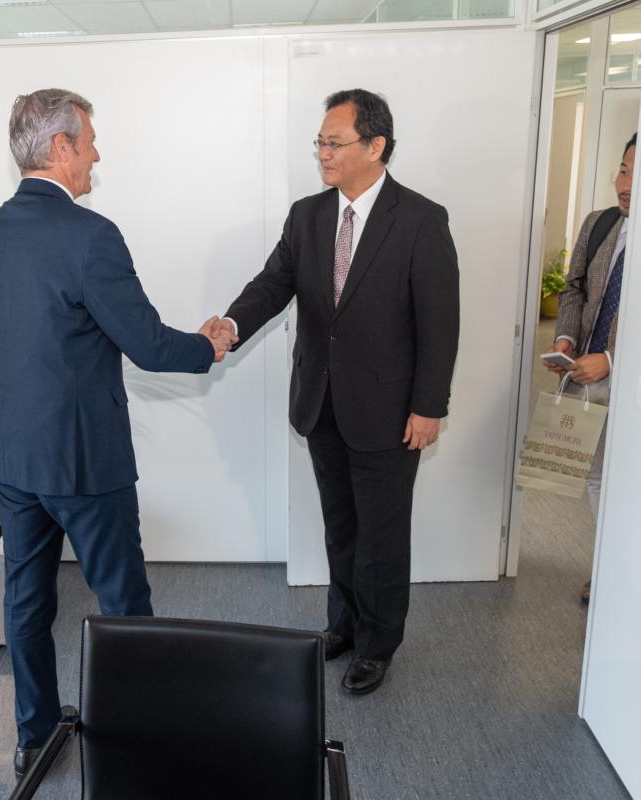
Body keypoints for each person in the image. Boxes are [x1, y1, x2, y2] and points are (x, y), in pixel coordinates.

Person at [0, 88, 237, 778]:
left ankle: (33, 735)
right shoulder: (91, 235)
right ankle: (137, 738)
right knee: (122, 601)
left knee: (26, 598)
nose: (96, 154)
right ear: (61, 147)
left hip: (11, 453)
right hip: (82, 458)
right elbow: (146, 344)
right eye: (88, 142)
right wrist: (208, 346)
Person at [214, 89, 459, 695]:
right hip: (321, 403)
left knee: (382, 535)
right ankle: (344, 625)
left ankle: (378, 643)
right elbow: (272, 285)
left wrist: (428, 406)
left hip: (390, 411)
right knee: (341, 525)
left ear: (375, 146)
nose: (322, 153)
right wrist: (231, 324)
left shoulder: (421, 219)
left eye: (333, 142)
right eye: (319, 142)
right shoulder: (308, 215)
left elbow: (440, 322)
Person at [544, 133, 635, 604]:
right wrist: (567, 338)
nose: (625, 184)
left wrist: (614, 359)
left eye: (637, 175)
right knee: (596, 477)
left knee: (633, 484)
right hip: (585, 376)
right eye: (623, 169)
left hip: (633, 385)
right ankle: (608, 568)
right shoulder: (600, 224)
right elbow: (574, 288)